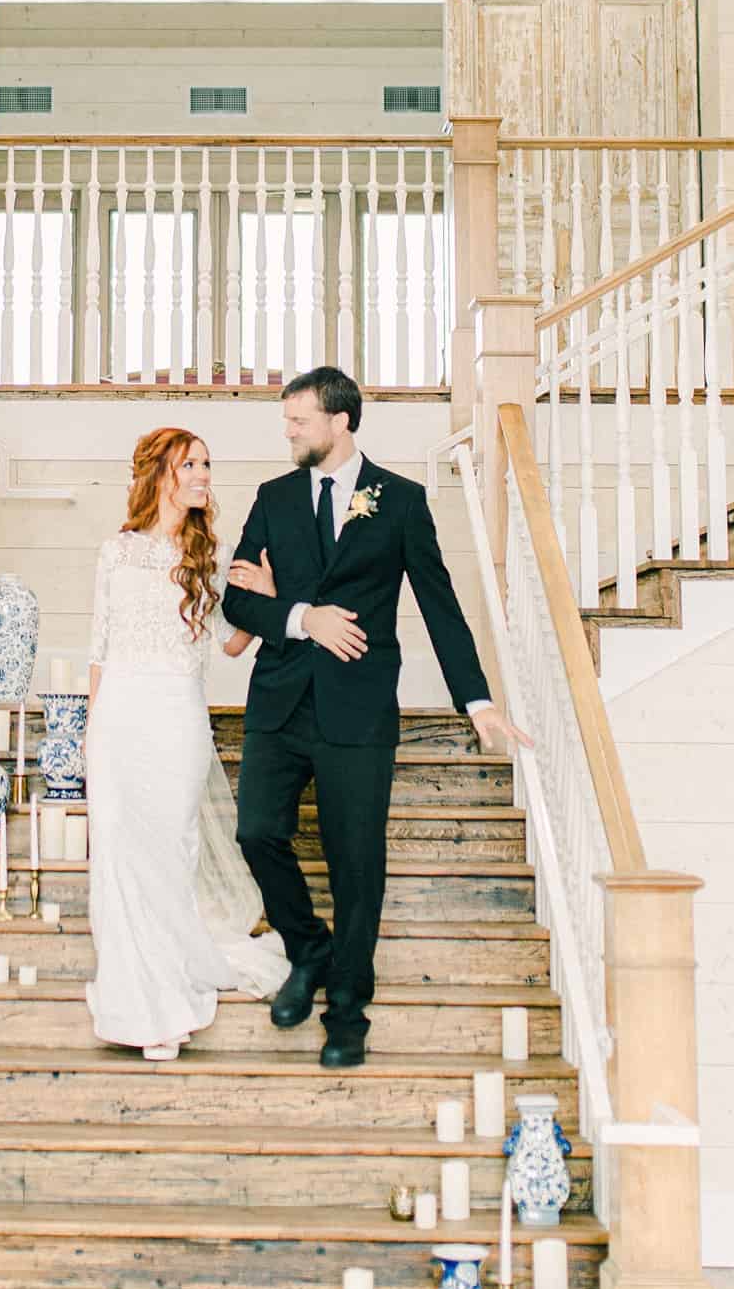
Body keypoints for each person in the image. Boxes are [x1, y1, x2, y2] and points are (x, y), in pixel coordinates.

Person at [223, 366, 528, 1070]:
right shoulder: (273, 499)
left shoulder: (401, 501)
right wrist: (302, 617)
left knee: (358, 863)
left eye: (299, 420)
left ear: (340, 422)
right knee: (256, 831)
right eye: (287, 420)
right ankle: (309, 948)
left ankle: (348, 1010)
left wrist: (477, 701)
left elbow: (440, 603)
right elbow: (238, 601)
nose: (289, 430)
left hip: (357, 711)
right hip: (279, 700)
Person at [84, 428, 288, 1061]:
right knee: (119, 860)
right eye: (191, 463)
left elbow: (229, 643)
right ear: (162, 474)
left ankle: (169, 997)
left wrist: (266, 598)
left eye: (206, 463)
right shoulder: (116, 552)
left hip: (176, 717)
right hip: (118, 717)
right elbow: (99, 649)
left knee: (166, 860)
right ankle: (134, 1005)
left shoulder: (212, 555)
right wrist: (92, 734)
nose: (203, 473)